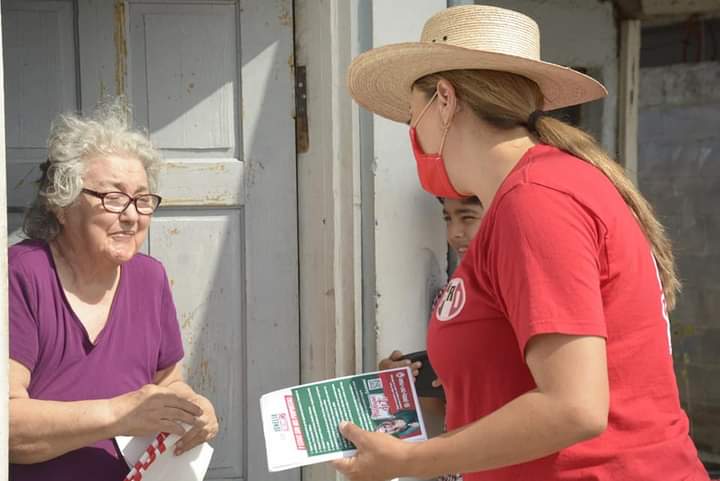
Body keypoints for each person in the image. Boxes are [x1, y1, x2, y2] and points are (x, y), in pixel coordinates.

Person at [336, 5, 711, 481]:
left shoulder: (535, 200)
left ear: (445, 99)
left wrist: (409, 461)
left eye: (413, 116)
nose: (414, 135)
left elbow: (574, 407)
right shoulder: (538, 190)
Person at [9, 101, 219, 481]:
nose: (132, 215)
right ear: (62, 203)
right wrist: (119, 414)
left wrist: (194, 410)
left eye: (142, 200)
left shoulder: (150, 278)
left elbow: (168, 382)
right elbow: (7, 426)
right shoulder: (21, 274)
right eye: (114, 198)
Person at [379, 196, 484, 480]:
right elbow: (439, 408)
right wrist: (402, 383)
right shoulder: (447, 298)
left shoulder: (526, 293)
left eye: (468, 218)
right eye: (447, 219)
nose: (455, 232)